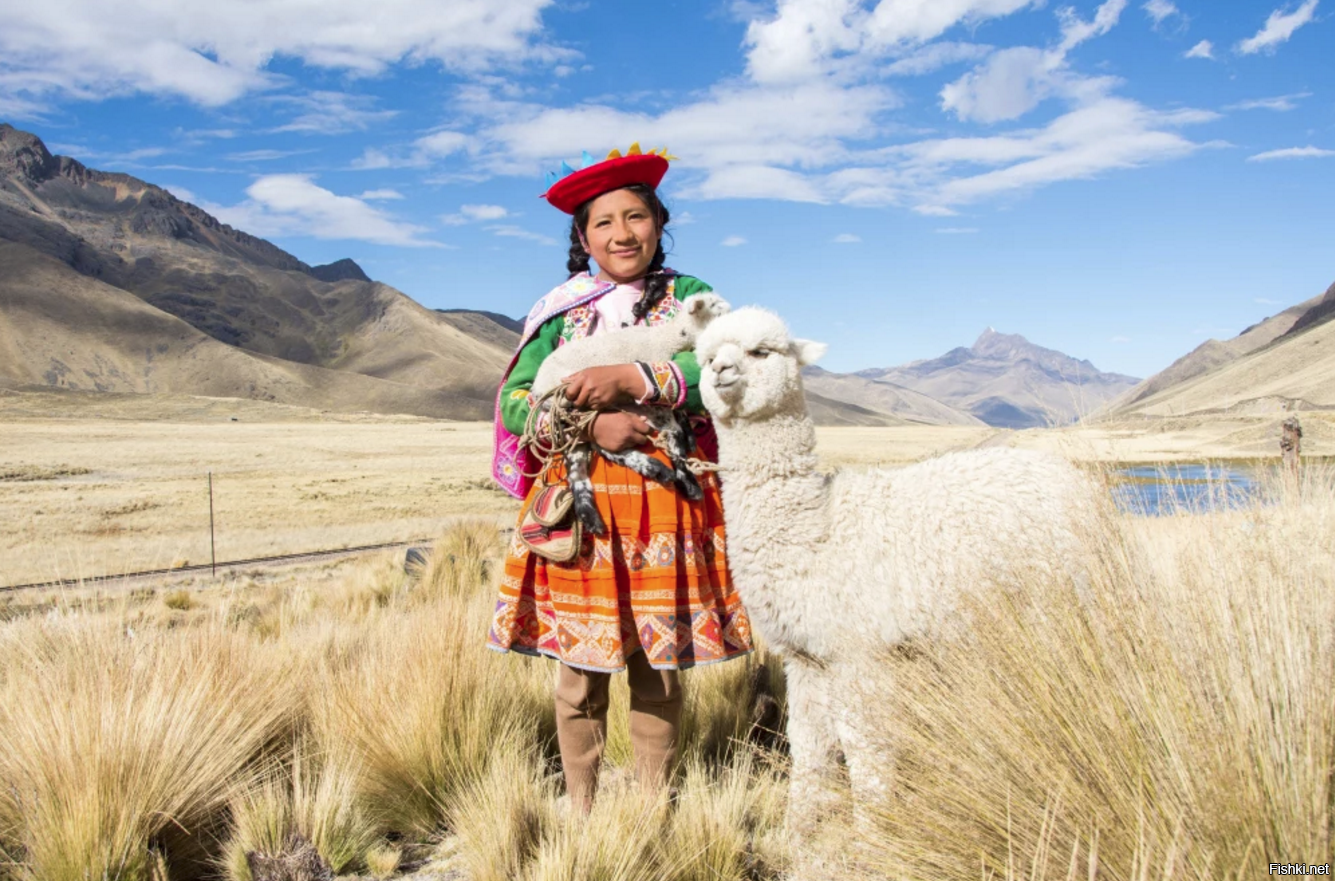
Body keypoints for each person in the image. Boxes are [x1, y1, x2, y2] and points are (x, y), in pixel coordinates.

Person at [487, 144, 754, 812]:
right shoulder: (559, 313)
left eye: (635, 216)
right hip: (582, 508)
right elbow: (517, 401)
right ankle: (583, 811)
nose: (622, 233)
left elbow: (727, 364)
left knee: (658, 669)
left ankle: (650, 807)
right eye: (603, 223)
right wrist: (591, 424)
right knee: (580, 672)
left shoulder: (691, 298)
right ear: (583, 239)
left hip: (667, 503)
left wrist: (636, 378)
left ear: (658, 224)